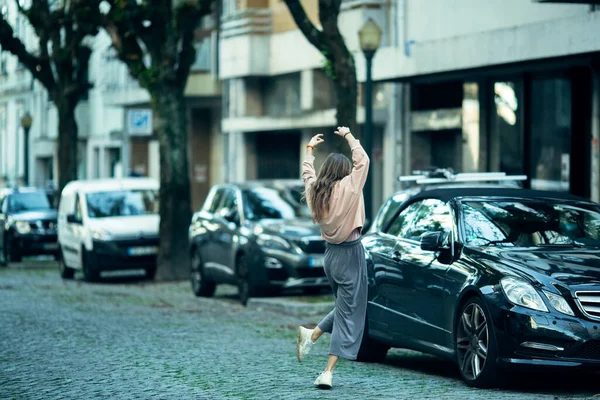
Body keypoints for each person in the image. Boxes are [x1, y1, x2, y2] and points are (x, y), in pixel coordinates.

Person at [296, 126, 370, 390]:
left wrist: (309, 150)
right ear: (345, 172)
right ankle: (327, 371)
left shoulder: (316, 191)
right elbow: (364, 160)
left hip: (331, 257)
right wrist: (349, 135)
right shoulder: (351, 186)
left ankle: (311, 334)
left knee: (345, 307)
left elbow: (307, 174)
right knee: (351, 311)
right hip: (350, 255)